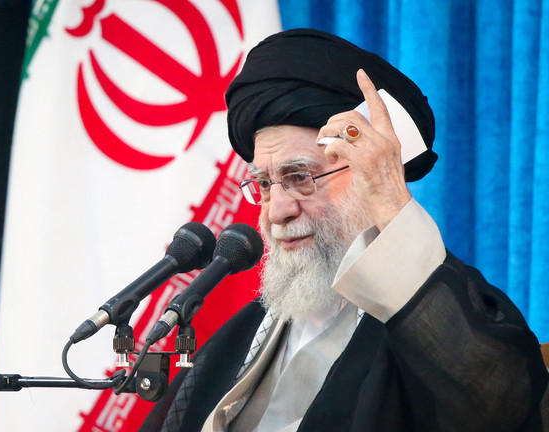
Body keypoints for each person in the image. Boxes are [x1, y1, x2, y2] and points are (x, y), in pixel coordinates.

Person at [141, 29, 548, 432]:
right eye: (263, 184)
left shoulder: (443, 322)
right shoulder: (242, 334)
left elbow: (500, 404)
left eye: (299, 177)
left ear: (369, 176)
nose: (277, 211)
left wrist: (391, 203)